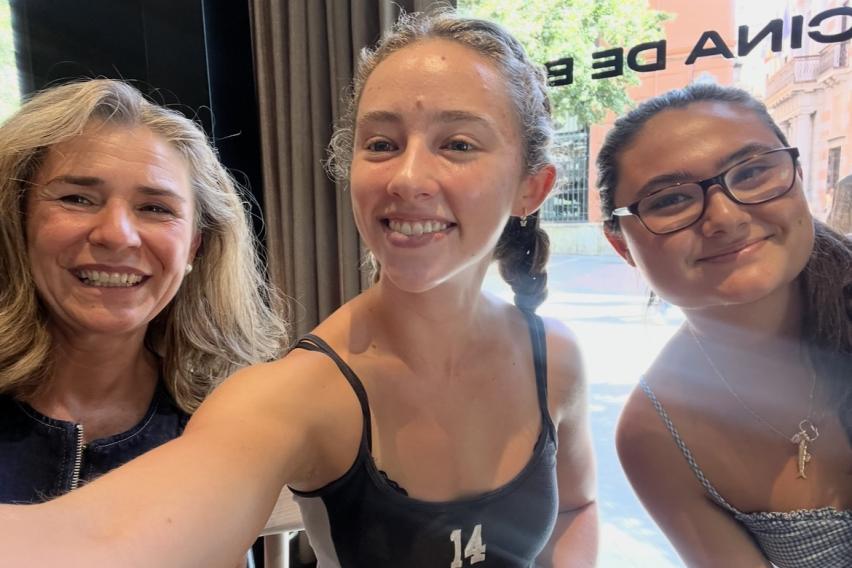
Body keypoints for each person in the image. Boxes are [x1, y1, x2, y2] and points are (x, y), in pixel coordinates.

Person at [0, 10, 597, 567]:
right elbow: (103, 544)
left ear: (533, 187)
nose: (408, 177)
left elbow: (577, 505)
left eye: (458, 144)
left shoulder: (557, 360)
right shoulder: (297, 393)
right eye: (382, 144)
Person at [598, 83, 851, 567]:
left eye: (754, 172)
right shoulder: (657, 435)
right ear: (622, 246)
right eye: (670, 200)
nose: (725, 217)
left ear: (797, 177)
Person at [0, 79, 286, 504]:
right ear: (16, 221)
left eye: (155, 208)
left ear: (195, 244)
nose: (118, 236)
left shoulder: (226, 422)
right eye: (78, 198)